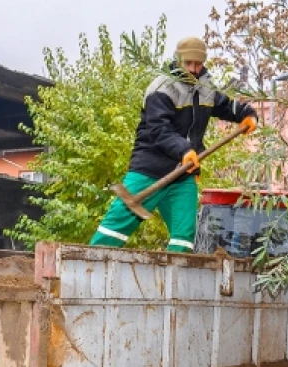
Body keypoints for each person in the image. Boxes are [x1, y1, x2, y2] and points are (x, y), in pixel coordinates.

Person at [89, 36, 258, 253]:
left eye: (198, 64)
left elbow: (225, 105)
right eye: (189, 63)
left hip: (183, 174)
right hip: (149, 169)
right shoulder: (162, 88)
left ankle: (177, 284)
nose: (194, 69)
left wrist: (247, 114)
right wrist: (184, 150)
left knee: (184, 237)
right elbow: (158, 129)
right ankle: (87, 266)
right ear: (179, 60)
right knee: (116, 227)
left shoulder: (205, 87)